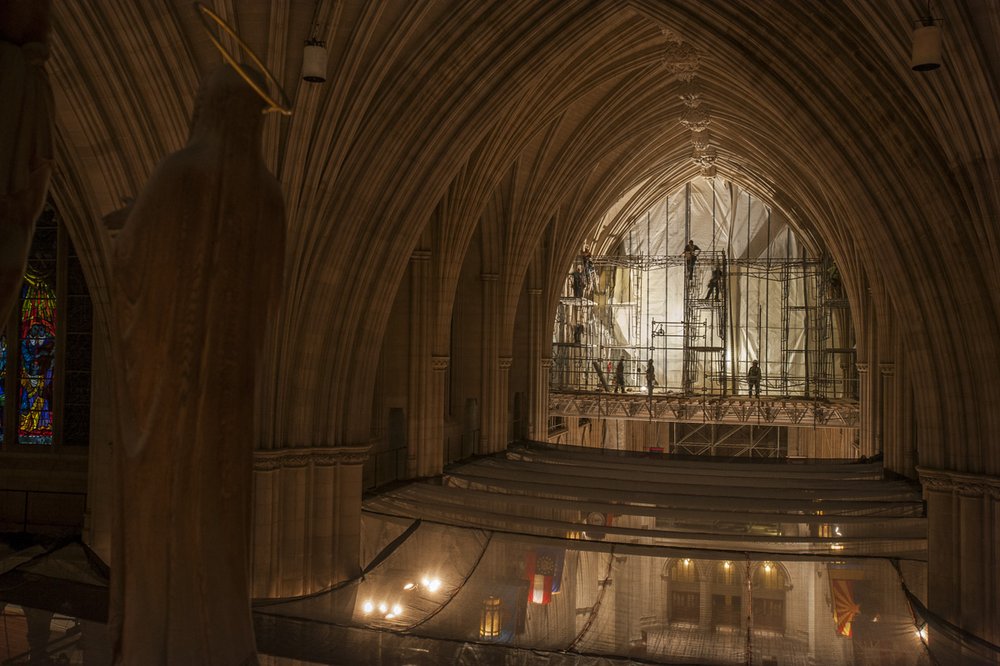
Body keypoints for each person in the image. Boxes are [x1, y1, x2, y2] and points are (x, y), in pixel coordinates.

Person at [108, 63, 285, 664]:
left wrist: (127, 227)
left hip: (173, 406)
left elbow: (130, 269)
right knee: (217, 534)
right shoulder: (267, 194)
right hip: (229, 408)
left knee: (168, 534)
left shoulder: (179, 173)